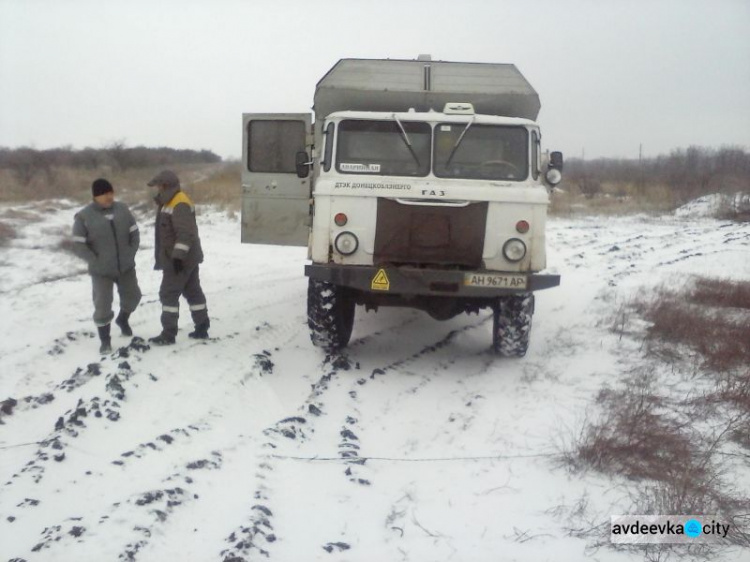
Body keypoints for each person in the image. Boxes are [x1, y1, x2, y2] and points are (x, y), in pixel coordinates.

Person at [72, 178, 142, 353]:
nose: (109, 196)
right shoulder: (84, 216)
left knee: (133, 297)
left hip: (125, 266)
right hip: (101, 270)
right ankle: (105, 340)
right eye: (104, 193)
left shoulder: (123, 210)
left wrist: (130, 252)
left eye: (111, 192)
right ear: (96, 196)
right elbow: (78, 245)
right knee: (103, 304)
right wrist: (95, 260)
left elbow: (134, 233)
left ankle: (123, 319)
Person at [147, 170, 210, 345]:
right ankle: (202, 327)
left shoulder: (179, 203)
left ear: (165, 185)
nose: (157, 189)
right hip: (186, 257)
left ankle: (168, 334)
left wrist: (177, 258)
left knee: (168, 294)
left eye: (158, 186)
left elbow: (186, 234)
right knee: (192, 291)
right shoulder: (171, 200)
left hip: (181, 259)